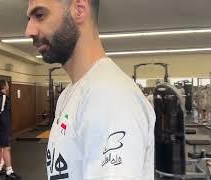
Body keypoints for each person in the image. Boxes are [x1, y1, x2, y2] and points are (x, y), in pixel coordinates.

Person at [25, 0, 156, 179]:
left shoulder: (110, 97)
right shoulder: (68, 94)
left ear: (79, 10)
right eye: (29, 18)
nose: (29, 30)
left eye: (40, 15)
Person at [0, 80, 21, 180]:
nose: (8, 86)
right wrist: (4, 124)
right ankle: (9, 172)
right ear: (4, 86)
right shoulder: (2, 97)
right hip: (3, 126)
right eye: (7, 84)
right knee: (6, 148)